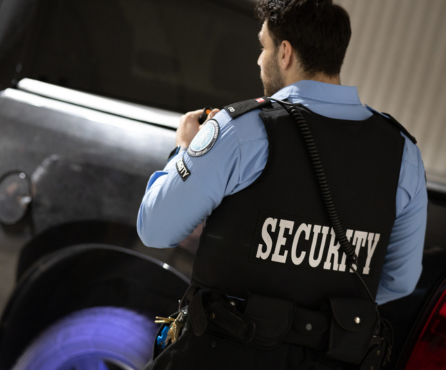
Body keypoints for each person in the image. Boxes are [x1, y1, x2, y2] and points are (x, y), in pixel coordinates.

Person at [137, 0, 427, 369]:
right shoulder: (401, 152)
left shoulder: (242, 130)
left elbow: (155, 228)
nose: (259, 60)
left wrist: (183, 148)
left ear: (285, 52)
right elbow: (399, 281)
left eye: (264, 46)